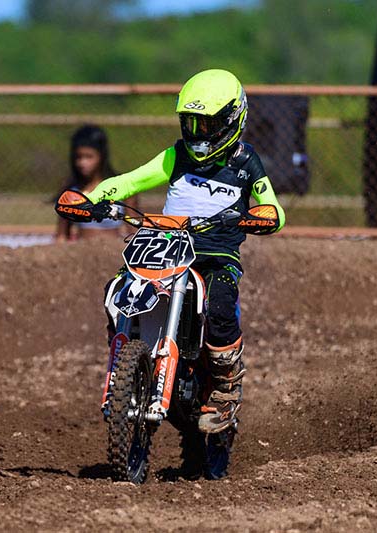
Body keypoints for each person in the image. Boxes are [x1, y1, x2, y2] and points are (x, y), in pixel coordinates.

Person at [62, 69, 285, 436]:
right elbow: (130, 180)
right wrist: (92, 199)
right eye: (190, 123)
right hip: (167, 245)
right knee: (118, 288)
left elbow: (272, 207)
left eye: (206, 124)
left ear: (232, 120)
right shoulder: (176, 155)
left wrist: (261, 216)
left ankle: (226, 386)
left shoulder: (246, 162)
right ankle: (130, 356)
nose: (197, 133)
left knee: (219, 304)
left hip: (216, 254)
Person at [55, 125, 138, 242]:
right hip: (82, 249)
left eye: (89, 157)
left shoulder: (121, 185)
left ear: (102, 156)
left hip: (114, 249)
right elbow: (61, 236)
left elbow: (133, 229)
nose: (83, 163)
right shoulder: (71, 189)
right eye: (79, 157)